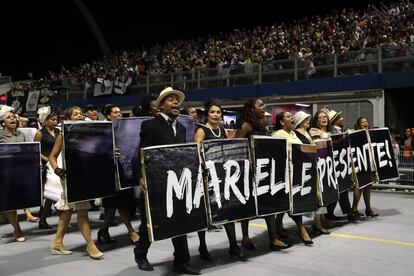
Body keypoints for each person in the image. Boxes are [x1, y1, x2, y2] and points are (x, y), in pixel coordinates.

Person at [134, 87, 201, 275]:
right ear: (161, 105)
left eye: (177, 100)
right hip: (155, 182)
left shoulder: (181, 127)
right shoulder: (150, 125)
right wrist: (142, 175)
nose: (176, 103)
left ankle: (181, 261)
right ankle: (140, 254)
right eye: (171, 100)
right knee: (149, 221)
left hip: (176, 182)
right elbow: (141, 153)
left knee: (180, 220)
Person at [194, 100, 246, 261]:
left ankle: (233, 246)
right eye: (213, 112)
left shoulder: (222, 129)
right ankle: (202, 245)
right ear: (207, 114)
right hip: (206, 177)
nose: (216, 115)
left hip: (222, 177)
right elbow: (196, 154)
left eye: (218, 112)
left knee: (226, 209)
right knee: (203, 213)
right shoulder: (201, 130)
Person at [49, 106, 103, 259]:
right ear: (68, 118)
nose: (80, 115)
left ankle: (57, 243)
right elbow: (52, 156)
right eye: (76, 114)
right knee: (82, 211)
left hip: (85, 175)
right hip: (70, 177)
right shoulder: (63, 135)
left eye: (81, 113)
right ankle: (91, 246)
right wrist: (57, 169)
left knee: (66, 211)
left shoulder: (89, 134)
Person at [236, 98, 290, 251]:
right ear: (252, 109)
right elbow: (237, 146)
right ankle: (245, 238)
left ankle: (273, 238)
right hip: (250, 171)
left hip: (264, 171)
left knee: (269, 203)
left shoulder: (262, 126)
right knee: (246, 204)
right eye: (260, 105)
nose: (263, 106)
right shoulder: (247, 125)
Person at [97, 104, 139, 245]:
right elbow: (95, 151)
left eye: (120, 111)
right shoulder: (102, 131)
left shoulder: (124, 130)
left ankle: (103, 231)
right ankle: (131, 231)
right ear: (108, 116)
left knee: (112, 206)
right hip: (108, 172)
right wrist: (108, 152)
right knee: (119, 202)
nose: (119, 114)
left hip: (123, 169)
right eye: (115, 112)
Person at [272, 111, 313, 245]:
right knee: (292, 202)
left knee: (287, 202)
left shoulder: (294, 134)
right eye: (288, 117)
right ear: (282, 122)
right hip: (285, 173)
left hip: (297, 172)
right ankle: (301, 229)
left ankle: (278, 226)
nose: (292, 118)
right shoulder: (277, 135)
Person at [0, 106, 26, 242]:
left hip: (19, 171)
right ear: (2, 122)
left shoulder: (21, 134)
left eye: (14, 117)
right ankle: (17, 229)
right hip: (4, 172)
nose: (13, 119)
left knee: (16, 201)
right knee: (10, 202)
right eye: (9, 117)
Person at [325, 109, 356, 222]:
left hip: (341, 163)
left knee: (342, 189)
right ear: (334, 120)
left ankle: (332, 213)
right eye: (339, 117)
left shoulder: (341, 131)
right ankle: (348, 213)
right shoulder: (333, 132)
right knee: (339, 190)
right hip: (334, 164)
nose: (342, 118)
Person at [34, 108, 60, 229]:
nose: (55, 122)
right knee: (51, 194)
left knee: (52, 195)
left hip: (58, 164)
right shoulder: (40, 133)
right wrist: (48, 159)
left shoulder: (58, 132)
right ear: (45, 121)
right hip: (45, 166)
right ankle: (45, 218)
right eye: (52, 119)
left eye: (56, 120)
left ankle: (44, 219)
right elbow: (36, 151)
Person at [352, 117, 379, 217]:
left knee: (369, 186)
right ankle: (354, 209)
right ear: (359, 124)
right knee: (359, 187)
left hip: (370, 164)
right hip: (360, 164)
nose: (365, 123)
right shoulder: (355, 134)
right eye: (362, 122)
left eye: (366, 121)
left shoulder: (371, 134)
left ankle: (368, 209)